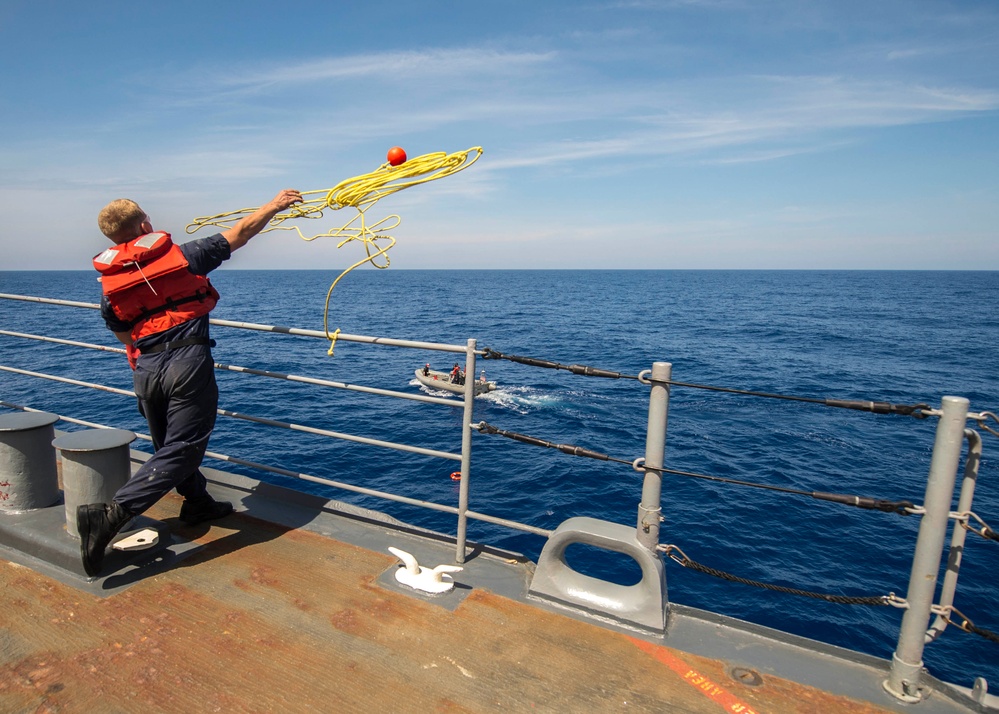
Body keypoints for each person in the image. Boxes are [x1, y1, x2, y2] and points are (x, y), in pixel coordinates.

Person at [78, 189, 303, 577]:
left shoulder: (109, 287)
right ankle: (112, 514)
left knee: (167, 444)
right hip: (187, 361)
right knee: (183, 448)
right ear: (145, 225)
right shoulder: (184, 256)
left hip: (146, 368)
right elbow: (241, 233)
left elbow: (123, 337)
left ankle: (196, 502)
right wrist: (273, 205)